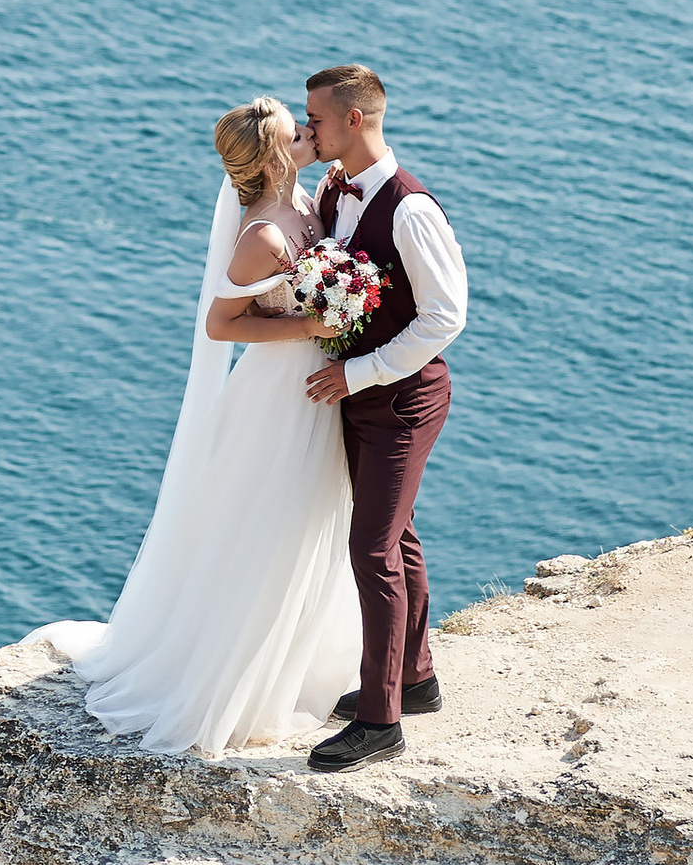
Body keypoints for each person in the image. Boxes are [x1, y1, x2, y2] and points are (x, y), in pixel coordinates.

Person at [49, 98, 360, 755]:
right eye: (295, 132)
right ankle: (231, 685)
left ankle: (289, 665)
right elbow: (222, 324)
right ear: (275, 156)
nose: (309, 134)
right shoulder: (261, 236)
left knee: (308, 523)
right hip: (277, 398)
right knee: (267, 530)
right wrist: (311, 324)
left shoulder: (306, 203)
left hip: (314, 388)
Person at [294, 63, 468, 770]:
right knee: (397, 537)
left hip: (401, 399)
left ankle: (380, 722)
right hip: (362, 394)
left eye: (318, 120)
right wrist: (300, 162)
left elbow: (444, 318)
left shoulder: (409, 208)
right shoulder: (335, 185)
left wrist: (359, 372)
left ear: (356, 119)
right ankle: (413, 679)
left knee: (371, 550)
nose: (310, 130)